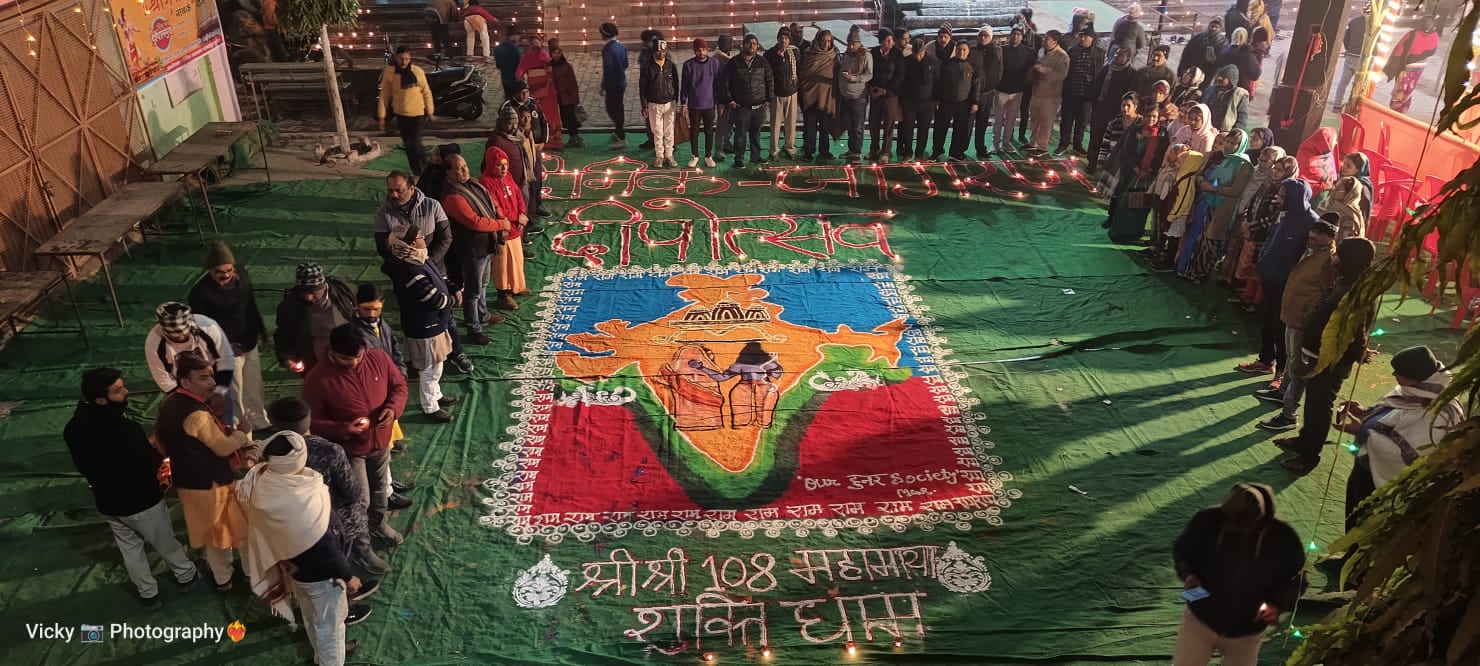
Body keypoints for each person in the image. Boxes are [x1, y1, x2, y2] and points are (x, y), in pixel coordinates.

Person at [65, 368, 200, 610]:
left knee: (130, 548)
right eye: (118, 390)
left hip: (108, 502)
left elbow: (86, 465)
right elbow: (148, 462)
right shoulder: (124, 429)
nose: (126, 392)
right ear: (101, 399)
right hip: (141, 500)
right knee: (165, 541)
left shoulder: (73, 428)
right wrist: (156, 455)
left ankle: (148, 594)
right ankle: (186, 575)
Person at [237, 430, 366, 665]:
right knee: (330, 627)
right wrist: (348, 577)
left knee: (312, 617)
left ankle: (321, 656)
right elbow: (325, 548)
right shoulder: (302, 498)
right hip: (322, 577)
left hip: (295, 570)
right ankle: (330, 660)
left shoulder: (263, 481)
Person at [302, 325, 409, 571]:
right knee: (358, 501)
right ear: (332, 351)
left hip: (380, 441)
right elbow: (312, 423)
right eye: (346, 359)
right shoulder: (318, 379)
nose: (354, 363)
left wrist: (392, 409)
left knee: (380, 489)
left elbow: (399, 387)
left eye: (358, 357)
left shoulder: (378, 358)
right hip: (350, 452)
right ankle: (362, 549)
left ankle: (378, 525)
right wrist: (344, 429)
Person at [1171, 482, 1306, 666]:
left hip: (1247, 628)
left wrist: (1277, 605)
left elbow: (1298, 580)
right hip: (1200, 616)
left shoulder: (1282, 537)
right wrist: (1188, 574)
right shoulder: (1207, 521)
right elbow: (1183, 551)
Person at [154, 351, 256, 592]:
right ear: (185, 381)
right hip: (212, 484)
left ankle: (223, 580)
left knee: (213, 537)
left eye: (211, 376)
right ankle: (252, 576)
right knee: (240, 531)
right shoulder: (197, 415)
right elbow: (223, 448)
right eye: (203, 377)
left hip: (188, 481)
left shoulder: (169, 403)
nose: (211, 382)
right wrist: (242, 432)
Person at [1276, 238, 1379, 474]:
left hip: (1332, 360)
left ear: (1350, 260)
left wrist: (1359, 351)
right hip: (1320, 355)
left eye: (1339, 255)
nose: (1334, 259)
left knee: (1320, 408)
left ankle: (1309, 456)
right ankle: (1304, 440)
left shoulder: (1358, 293)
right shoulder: (1345, 281)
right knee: (1313, 403)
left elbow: (1357, 330)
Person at [1337, 346, 1465, 530]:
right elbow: (1393, 415)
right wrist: (1366, 413)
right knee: (1354, 515)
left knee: (1363, 524)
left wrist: (1362, 430)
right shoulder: (1418, 390)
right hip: (1368, 467)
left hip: (1380, 484)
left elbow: (1406, 454)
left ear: (1415, 377)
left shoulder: (1437, 415)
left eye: (1399, 372)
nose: (1394, 374)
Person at [267, 397, 383, 587]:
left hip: (291, 525)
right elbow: (352, 492)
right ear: (309, 418)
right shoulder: (329, 451)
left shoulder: (269, 453)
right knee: (337, 560)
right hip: (332, 522)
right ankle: (356, 565)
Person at [1254, 219, 1338, 432]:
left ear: (1330, 238)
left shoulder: (1328, 261)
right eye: (1311, 234)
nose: (1312, 238)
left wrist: (1310, 316)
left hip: (1303, 319)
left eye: (1317, 235)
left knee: (1298, 367)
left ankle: (1289, 414)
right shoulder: (1312, 252)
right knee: (1292, 360)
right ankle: (1282, 392)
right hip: (1292, 314)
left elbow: (1326, 293)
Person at [187, 243, 268, 430]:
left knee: (253, 385)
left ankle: (259, 421)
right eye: (219, 272)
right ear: (209, 270)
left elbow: (251, 305)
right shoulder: (200, 293)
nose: (225, 275)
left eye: (229, 270)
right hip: (226, 349)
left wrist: (261, 330)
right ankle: (241, 428)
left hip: (248, 340)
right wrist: (224, 346)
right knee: (235, 392)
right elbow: (202, 328)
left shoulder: (242, 277)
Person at [383, 229, 458, 423]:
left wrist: (452, 287)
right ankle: (430, 406)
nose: (424, 239)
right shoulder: (409, 270)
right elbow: (432, 298)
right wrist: (450, 300)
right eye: (420, 237)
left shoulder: (420, 258)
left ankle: (436, 394)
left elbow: (439, 276)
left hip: (434, 323)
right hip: (424, 326)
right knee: (428, 367)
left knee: (437, 363)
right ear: (411, 244)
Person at [442, 154, 514, 344]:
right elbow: (474, 222)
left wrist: (501, 218)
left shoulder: (473, 184)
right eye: (459, 168)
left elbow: (492, 202)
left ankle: (482, 315)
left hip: (486, 245)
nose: (465, 170)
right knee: (473, 291)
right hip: (472, 249)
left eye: (465, 166)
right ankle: (473, 328)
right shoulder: (452, 196)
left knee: (482, 284)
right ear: (448, 173)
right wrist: (501, 224)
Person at [1180, 129, 1253, 282]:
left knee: (1210, 242)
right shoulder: (1220, 158)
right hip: (1205, 202)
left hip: (1221, 209)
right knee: (1196, 237)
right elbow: (1203, 175)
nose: (1228, 145)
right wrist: (1201, 181)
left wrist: (1213, 188)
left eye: (1233, 143)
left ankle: (1200, 274)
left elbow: (1236, 191)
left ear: (1241, 145)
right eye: (1227, 141)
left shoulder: (1244, 165)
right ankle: (1187, 269)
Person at [145, 301, 236, 419]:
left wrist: (220, 391)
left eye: (184, 334)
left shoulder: (207, 327)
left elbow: (226, 359)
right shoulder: (154, 342)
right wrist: (187, 401)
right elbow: (164, 379)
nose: (181, 337)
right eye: (175, 337)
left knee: (224, 417)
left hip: (215, 376)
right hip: (183, 385)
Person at [273, 263, 356, 375]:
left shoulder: (344, 294)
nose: (308, 297)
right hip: (315, 365)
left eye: (313, 292)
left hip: (348, 358)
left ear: (323, 286)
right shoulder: (289, 307)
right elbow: (283, 335)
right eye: (303, 292)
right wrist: (287, 358)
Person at [374, 170, 455, 278]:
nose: (394, 195)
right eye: (390, 190)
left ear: (411, 188)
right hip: (403, 274)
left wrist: (428, 262)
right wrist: (408, 266)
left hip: (435, 270)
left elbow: (445, 238)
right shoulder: (383, 213)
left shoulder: (432, 206)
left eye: (399, 191)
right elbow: (383, 247)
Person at [1106, 104, 1167, 243]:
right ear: (1143, 116)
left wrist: (1149, 170)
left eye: (1154, 116)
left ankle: (1134, 234)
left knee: (1139, 207)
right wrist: (1136, 169)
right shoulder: (1135, 130)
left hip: (1148, 177)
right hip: (1131, 174)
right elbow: (1127, 152)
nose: (1151, 119)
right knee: (1125, 204)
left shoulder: (1162, 133)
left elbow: (1162, 154)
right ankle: (1119, 233)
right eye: (1148, 116)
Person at [482, 147, 532, 309]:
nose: (504, 168)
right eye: (499, 165)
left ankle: (516, 286)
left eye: (505, 164)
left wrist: (522, 213)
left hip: (515, 227)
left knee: (516, 258)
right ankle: (503, 294)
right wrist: (515, 218)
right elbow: (496, 207)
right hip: (503, 229)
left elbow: (518, 196)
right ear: (491, 165)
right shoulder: (486, 183)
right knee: (502, 263)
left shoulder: (508, 176)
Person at [498, 81, 553, 219]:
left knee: (537, 177)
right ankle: (526, 212)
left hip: (535, 148)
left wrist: (542, 142)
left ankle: (537, 205)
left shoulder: (534, 104)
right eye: (522, 92)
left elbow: (543, 122)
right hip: (520, 150)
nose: (525, 95)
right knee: (524, 184)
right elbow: (506, 129)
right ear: (515, 93)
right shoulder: (508, 107)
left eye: (527, 91)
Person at [378, 47, 435, 175]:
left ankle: (426, 166)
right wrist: (382, 116)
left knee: (415, 143)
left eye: (407, 59)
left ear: (410, 58)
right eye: (401, 59)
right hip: (401, 115)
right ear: (396, 58)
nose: (404, 62)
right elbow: (384, 95)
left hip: (418, 114)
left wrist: (430, 111)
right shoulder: (390, 73)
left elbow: (426, 92)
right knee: (408, 145)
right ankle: (417, 171)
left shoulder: (417, 71)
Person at [727, 34, 776, 168]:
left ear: (757, 46)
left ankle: (755, 156)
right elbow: (726, 83)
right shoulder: (734, 63)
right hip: (741, 106)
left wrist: (769, 99)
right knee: (740, 134)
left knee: (756, 133)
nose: (751, 45)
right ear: (743, 45)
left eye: (754, 43)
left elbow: (770, 80)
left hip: (759, 106)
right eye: (749, 43)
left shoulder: (763, 61)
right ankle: (739, 159)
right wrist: (730, 99)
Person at [1089, 48, 1139, 171]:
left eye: (1121, 55)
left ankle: (1106, 165)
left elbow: (1129, 95)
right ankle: (1092, 162)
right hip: (1100, 108)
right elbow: (1097, 85)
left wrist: (1122, 110)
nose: (1117, 57)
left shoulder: (1131, 73)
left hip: (1116, 111)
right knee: (1095, 135)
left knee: (1109, 139)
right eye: (1116, 54)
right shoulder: (1107, 68)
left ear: (1127, 58)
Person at [930, 41, 978, 162]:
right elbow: (938, 82)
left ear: (968, 51)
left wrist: (975, 102)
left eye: (964, 49)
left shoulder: (972, 66)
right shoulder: (947, 64)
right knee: (940, 128)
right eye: (959, 49)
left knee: (960, 129)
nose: (961, 52)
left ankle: (955, 153)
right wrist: (936, 99)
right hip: (945, 102)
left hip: (963, 103)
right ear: (955, 50)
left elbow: (976, 85)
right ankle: (937, 151)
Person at [1060, 28, 1104, 156]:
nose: (1082, 38)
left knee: (1082, 122)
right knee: (1067, 121)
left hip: (1087, 95)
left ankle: (1077, 145)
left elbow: (1099, 73)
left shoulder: (1099, 53)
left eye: (1085, 36)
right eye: (1081, 36)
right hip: (1071, 92)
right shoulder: (1072, 51)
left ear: (1092, 38)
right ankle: (1063, 144)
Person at [516, 34, 563, 151]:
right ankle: (539, 139)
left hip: (547, 90)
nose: (535, 44)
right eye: (532, 42)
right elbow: (521, 69)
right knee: (537, 114)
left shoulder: (545, 55)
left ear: (541, 42)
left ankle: (553, 140)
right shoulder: (528, 57)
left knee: (550, 114)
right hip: (534, 91)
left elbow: (551, 68)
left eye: (536, 41)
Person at [799, 29, 839, 162]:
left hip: (827, 97)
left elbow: (837, 75)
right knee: (810, 126)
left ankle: (824, 151)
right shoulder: (809, 54)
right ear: (818, 40)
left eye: (829, 41)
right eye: (824, 40)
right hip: (810, 96)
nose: (827, 44)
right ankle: (808, 151)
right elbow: (803, 74)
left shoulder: (834, 55)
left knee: (825, 126)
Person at [681, 38, 722, 168]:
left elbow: (717, 85)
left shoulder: (714, 63)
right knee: (694, 131)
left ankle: (708, 156)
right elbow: (684, 86)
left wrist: (719, 103)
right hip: (694, 105)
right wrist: (683, 103)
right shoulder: (688, 65)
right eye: (698, 50)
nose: (701, 52)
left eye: (703, 49)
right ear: (694, 51)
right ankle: (695, 156)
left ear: (707, 49)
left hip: (709, 104)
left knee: (709, 131)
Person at [640, 38, 680, 168]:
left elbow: (676, 84)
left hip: (669, 103)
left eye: (663, 51)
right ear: (653, 52)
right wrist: (644, 106)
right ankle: (659, 156)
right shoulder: (647, 67)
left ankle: (669, 155)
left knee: (669, 131)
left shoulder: (671, 65)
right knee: (657, 131)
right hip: (654, 104)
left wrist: (676, 100)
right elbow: (642, 88)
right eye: (658, 51)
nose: (661, 53)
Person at [1028, 30, 1069, 155]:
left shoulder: (1062, 56)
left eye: (1047, 39)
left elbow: (1061, 75)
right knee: (1034, 119)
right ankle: (1033, 142)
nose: (1044, 41)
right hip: (1037, 91)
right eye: (1044, 38)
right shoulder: (1042, 51)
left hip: (1051, 95)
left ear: (1055, 41)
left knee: (1046, 121)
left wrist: (1044, 70)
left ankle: (1043, 147)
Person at [897, 37, 937, 162]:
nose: (918, 57)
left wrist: (936, 100)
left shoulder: (932, 61)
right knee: (907, 129)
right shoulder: (906, 61)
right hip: (909, 102)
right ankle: (908, 153)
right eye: (916, 54)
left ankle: (920, 153)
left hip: (927, 102)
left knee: (923, 129)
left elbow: (938, 82)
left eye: (920, 53)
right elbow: (901, 82)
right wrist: (901, 100)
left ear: (924, 51)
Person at [995, 28, 1034, 155]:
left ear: (1022, 37)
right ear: (1010, 35)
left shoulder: (1028, 52)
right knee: (998, 120)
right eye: (1014, 34)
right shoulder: (1002, 50)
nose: (1015, 36)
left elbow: (1030, 71)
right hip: (1001, 90)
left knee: (1011, 120)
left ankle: (1006, 143)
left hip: (1017, 92)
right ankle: (995, 144)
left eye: (1018, 34)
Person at [837, 29, 873, 165]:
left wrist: (852, 78)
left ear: (859, 43)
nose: (851, 46)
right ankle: (851, 150)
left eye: (853, 44)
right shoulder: (845, 55)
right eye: (849, 43)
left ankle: (857, 152)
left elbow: (869, 75)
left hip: (859, 97)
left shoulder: (865, 55)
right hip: (845, 96)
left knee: (858, 126)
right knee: (850, 125)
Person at [868, 29, 903, 163]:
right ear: (881, 41)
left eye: (891, 40)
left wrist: (886, 90)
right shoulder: (874, 53)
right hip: (876, 93)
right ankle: (874, 149)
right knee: (874, 123)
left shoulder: (897, 54)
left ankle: (885, 151)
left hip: (890, 95)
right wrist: (873, 88)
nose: (891, 43)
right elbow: (870, 71)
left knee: (889, 124)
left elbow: (900, 75)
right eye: (888, 40)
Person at [767, 28, 802, 160]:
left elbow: (798, 70)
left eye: (786, 38)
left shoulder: (794, 52)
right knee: (775, 124)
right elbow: (768, 74)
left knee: (791, 123)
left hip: (792, 92)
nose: (783, 40)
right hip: (776, 94)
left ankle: (790, 147)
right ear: (777, 39)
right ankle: (774, 150)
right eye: (781, 38)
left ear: (789, 40)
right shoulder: (770, 53)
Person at [970, 27, 1004, 158]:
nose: (983, 38)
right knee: (967, 124)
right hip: (972, 93)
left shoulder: (996, 51)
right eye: (981, 35)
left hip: (987, 93)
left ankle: (980, 148)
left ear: (991, 37)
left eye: (986, 35)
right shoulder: (973, 50)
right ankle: (960, 149)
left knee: (982, 122)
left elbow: (999, 70)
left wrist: (992, 86)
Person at [1331, 5, 1371, 111]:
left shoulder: (1353, 22)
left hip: (1351, 56)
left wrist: (1349, 48)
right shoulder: (1373, 25)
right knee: (1361, 85)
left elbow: (1346, 38)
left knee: (1343, 82)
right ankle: (1355, 108)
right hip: (1364, 59)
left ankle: (1336, 105)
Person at [1095, 92, 1141, 180]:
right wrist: (1100, 163)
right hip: (1112, 163)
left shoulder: (1141, 124)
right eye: (1123, 105)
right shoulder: (1114, 123)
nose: (1125, 108)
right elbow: (1105, 145)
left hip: (1131, 167)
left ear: (1135, 107)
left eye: (1128, 105)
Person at [599, 22, 629, 149]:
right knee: (618, 107)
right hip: (621, 81)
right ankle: (618, 131)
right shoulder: (621, 47)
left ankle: (621, 135)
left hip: (612, 84)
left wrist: (603, 85)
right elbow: (626, 64)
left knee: (612, 109)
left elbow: (608, 69)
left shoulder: (607, 50)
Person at [549, 44, 582, 148]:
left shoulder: (567, 66)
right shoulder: (550, 66)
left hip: (568, 97)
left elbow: (573, 82)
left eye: (558, 53)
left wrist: (575, 98)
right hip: (559, 97)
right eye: (554, 53)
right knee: (565, 118)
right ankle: (573, 137)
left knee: (570, 118)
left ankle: (575, 137)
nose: (556, 55)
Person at [711, 35, 738, 161]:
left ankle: (727, 144)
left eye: (730, 42)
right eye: (728, 43)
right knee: (722, 123)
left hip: (732, 96)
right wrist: (719, 100)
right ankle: (718, 149)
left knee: (730, 122)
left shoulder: (727, 58)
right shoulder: (717, 60)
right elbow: (717, 82)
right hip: (722, 97)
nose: (730, 45)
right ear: (721, 45)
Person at [1214, 30, 1262, 96]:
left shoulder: (1224, 51)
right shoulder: (1247, 55)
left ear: (1233, 36)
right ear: (1245, 38)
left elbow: (1217, 69)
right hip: (1241, 92)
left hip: (1222, 89)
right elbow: (1255, 75)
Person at [1203, 65, 1249, 131]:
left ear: (1231, 79)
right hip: (1207, 129)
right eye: (1219, 76)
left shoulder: (1239, 95)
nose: (1219, 78)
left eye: (1223, 77)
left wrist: (1235, 134)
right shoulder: (1210, 90)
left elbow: (1242, 118)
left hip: (1225, 133)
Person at [1180, 18, 1228, 82]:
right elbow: (1186, 55)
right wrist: (1181, 71)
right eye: (1212, 26)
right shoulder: (1197, 38)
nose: (1213, 29)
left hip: (1210, 74)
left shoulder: (1223, 42)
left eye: (1216, 27)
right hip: (1194, 72)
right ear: (1209, 26)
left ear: (1220, 29)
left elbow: (1223, 60)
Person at [1109, 3, 1148, 67]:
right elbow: (1141, 44)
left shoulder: (1119, 21)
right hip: (1128, 54)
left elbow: (1114, 36)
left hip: (1114, 50)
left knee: (1111, 67)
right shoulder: (1138, 28)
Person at [494, 24, 522, 98]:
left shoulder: (498, 48)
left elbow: (498, 65)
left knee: (507, 99)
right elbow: (519, 65)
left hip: (503, 80)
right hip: (514, 80)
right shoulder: (515, 49)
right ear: (513, 36)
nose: (519, 38)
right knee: (516, 101)